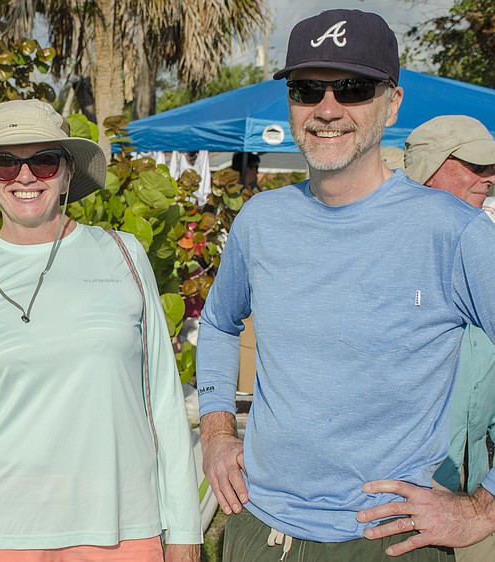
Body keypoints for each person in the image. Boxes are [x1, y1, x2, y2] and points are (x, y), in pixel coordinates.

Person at [196, 9, 495, 561]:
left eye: (353, 88)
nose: (327, 110)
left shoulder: (453, 232)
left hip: (389, 540)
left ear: (392, 103)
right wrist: (216, 431)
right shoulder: (261, 221)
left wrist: (482, 508)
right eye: (308, 89)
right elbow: (216, 323)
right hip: (261, 531)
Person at [0, 99, 202, 562]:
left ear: (67, 173)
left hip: (124, 531)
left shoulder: (125, 255)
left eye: (43, 160)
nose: (25, 176)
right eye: (4, 163)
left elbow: (164, 403)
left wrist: (184, 529)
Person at [404, 115, 495, 562]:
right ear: (428, 168)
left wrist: (486, 503)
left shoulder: (484, 254)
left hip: (475, 488)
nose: (490, 177)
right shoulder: (384, 255)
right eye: (477, 166)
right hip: (396, 500)